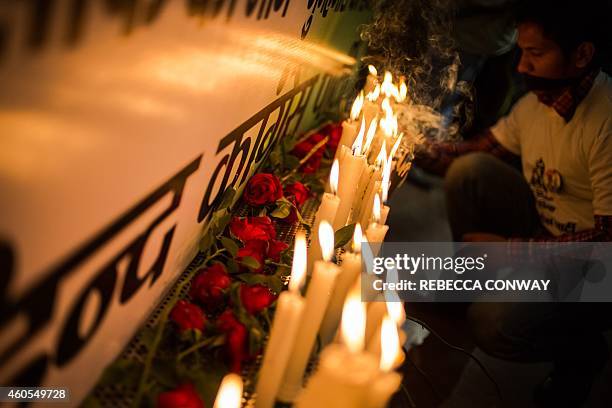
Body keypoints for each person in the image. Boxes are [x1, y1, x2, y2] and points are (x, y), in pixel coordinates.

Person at [414, 1, 612, 406]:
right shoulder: (535, 104)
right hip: (547, 233)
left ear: (582, 55)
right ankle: (467, 286)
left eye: (536, 54)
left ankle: (581, 351)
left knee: (492, 321)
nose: (521, 67)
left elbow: (606, 245)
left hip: (597, 272)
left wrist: (511, 253)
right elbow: (469, 152)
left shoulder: (606, 121)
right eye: (521, 52)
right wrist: (417, 146)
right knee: (470, 171)